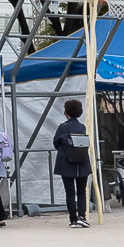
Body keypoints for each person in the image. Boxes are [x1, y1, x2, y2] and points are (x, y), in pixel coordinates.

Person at [53, 97, 94, 228]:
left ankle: (73, 220)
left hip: (67, 163)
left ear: (66, 113)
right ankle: (82, 216)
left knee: (70, 192)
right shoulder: (82, 127)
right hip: (82, 162)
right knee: (82, 191)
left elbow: (56, 143)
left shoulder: (63, 127)